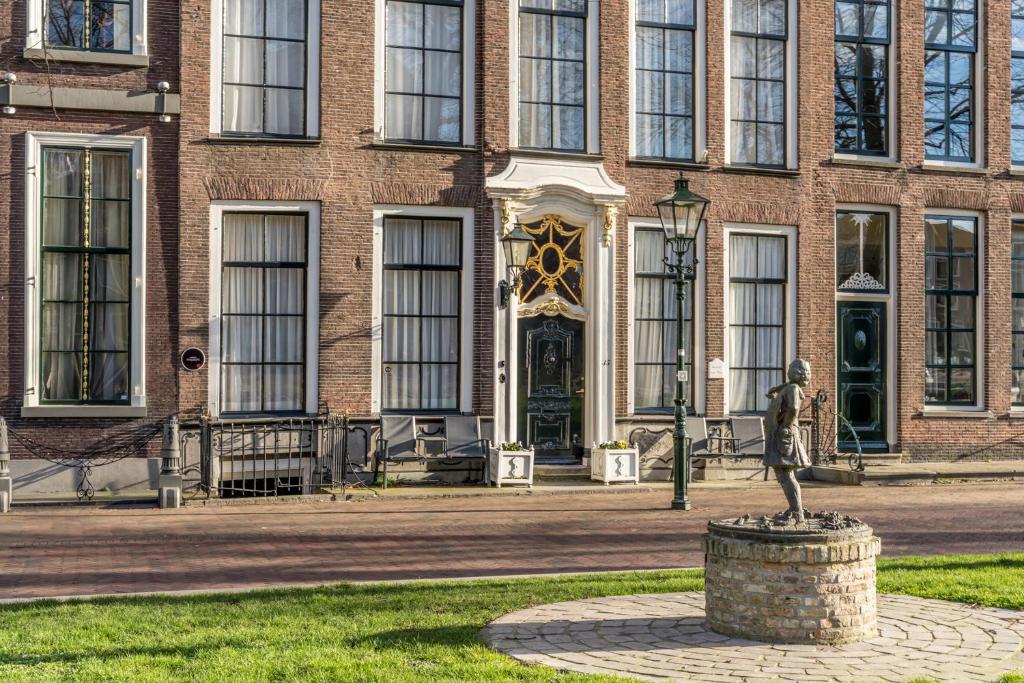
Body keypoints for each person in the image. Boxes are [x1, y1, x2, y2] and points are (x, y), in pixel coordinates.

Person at [764, 359, 812, 523]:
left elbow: (793, 408)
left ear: (796, 371)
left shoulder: (792, 389)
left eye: (791, 367)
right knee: (785, 474)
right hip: (784, 433)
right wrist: (777, 389)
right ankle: (795, 509)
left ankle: (797, 512)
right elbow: (789, 387)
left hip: (785, 434)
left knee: (785, 474)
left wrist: (785, 426)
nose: (789, 368)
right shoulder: (791, 387)